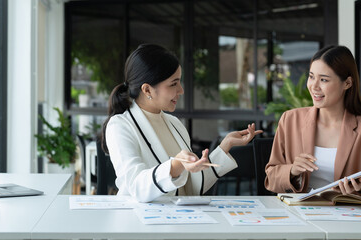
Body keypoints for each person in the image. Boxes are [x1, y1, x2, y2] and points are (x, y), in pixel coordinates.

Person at [102, 44, 262, 202]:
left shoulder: (174, 124)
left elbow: (191, 187)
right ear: (147, 90)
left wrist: (225, 146)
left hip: (179, 221)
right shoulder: (120, 126)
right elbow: (136, 186)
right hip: (143, 223)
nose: (181, 90)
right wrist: (175, 165)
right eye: (173, 84)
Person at [264, 45, 361, 202]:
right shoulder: (290, 120)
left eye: (323, 79)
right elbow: (271, 177)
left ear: (347, 83)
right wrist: (292, 171)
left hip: (347, 216)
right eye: (311, 77)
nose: (314, 86)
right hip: (299, 215)